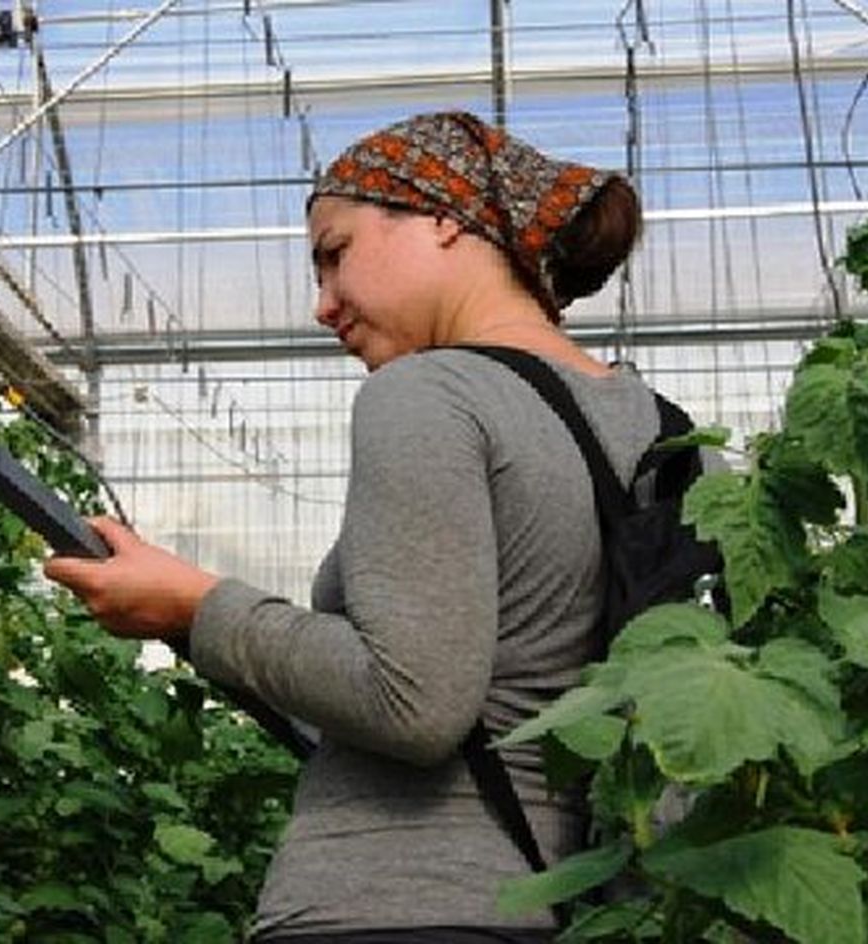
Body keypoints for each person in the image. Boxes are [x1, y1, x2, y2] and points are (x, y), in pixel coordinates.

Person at [43, 110, 654, 942]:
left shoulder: (432, 393)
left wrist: (194, 604)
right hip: (604, 911)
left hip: (400, 902)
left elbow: (409, 702)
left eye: (336, 254)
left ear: (445, 219)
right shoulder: (664, 429)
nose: (323, 304)